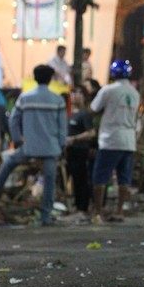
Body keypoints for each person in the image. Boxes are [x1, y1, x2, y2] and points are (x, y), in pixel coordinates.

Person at [0, 65, 67, 225]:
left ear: (34, 78)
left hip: (29, 147)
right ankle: (46, 216)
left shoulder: (25, 98)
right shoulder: (57, 100)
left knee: (7, 165)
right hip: (50, 148)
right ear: (50, 79)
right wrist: (62, 145)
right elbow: (63, 127)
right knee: (49, 180)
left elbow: (13, 120)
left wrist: (17, 139)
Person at [90, 59, 140, 223]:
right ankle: (119, 211)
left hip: (110, 139)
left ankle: (98, 212)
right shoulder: (135, 93)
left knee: (101, 176)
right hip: (129, 140)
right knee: (124, 178)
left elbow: (94, 108)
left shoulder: (108, 90)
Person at [65, 85, 95, 220]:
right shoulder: (69, 113)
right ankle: (76, 206)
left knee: (81, 179)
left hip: (80, 150)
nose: (76, 95)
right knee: (73, 180)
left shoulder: (85, 113)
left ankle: (83, 207)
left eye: (79, 93)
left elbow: (91, 132)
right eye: (74, 92)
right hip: (69, 151)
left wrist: (74, 139)